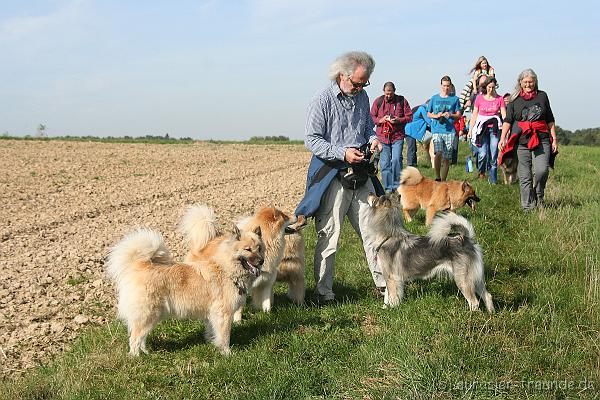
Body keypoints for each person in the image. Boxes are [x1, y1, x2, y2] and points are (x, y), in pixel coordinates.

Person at [301, 51, 386, 303]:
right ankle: (323, 293)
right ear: (342, 75)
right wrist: (342, 153)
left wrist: (373, 140)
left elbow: (368, 126)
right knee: (329, 236)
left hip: (361, 174)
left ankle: (385, 286)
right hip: (333, 175)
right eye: (357, 83)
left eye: (365, 83)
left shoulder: (362, 96)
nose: (361, 88)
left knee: (374, 232)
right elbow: (311, 139)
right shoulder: (322, 100)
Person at [499, 69, 558, 211]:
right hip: (522, 141)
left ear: (535, 82)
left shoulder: (542, 96)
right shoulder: (514, 99)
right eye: (525, 82)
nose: (528, 84)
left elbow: (549, 119)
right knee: (525, 176)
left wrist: (554, 139)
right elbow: (508, 120)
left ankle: (538, 194)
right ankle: (527, 207)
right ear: (520, 83)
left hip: (542, 139)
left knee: (541, 171)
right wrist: (503, 138)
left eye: (531, 81)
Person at [370, 82, 413, 192]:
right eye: (387, 94)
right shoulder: (378, 101)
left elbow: (409, 116)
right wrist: (381, 120)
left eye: (390, 93)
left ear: (394, 91)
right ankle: (389, 189)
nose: (388, 96)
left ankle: (397, 186)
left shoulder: (401, 101)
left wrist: (398, 120)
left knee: (396, 160)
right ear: (383, 92)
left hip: (397, 136)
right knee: (384, 163)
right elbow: (371, 117)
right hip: (382, 137)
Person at [468, 76, 506, 184]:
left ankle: (493, 181)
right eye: (489, 87)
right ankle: (481, 171)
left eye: (493, 87)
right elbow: (474, 114)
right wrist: (470, 129)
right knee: (482, 154)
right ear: (486, 87)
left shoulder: (500, 99)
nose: (491, 89)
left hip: (494, 129)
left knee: (494, 154)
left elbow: (504, 114)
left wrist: (506, 129)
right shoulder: (479, 98)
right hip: (481, 128)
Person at [427, 76, 462, 181]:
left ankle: (443, 180)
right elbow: (429, 113)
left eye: (448, 86)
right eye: (444, 86)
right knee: (438, 152)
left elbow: (459, 115)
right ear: (441, 86)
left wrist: (450, 115)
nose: (446, 88)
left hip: (449, 131)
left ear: (450, 86)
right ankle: (437, 176)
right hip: (437, 129)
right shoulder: (434, 98)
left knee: (447, 158)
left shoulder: (455, 99)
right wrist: (436, 116)